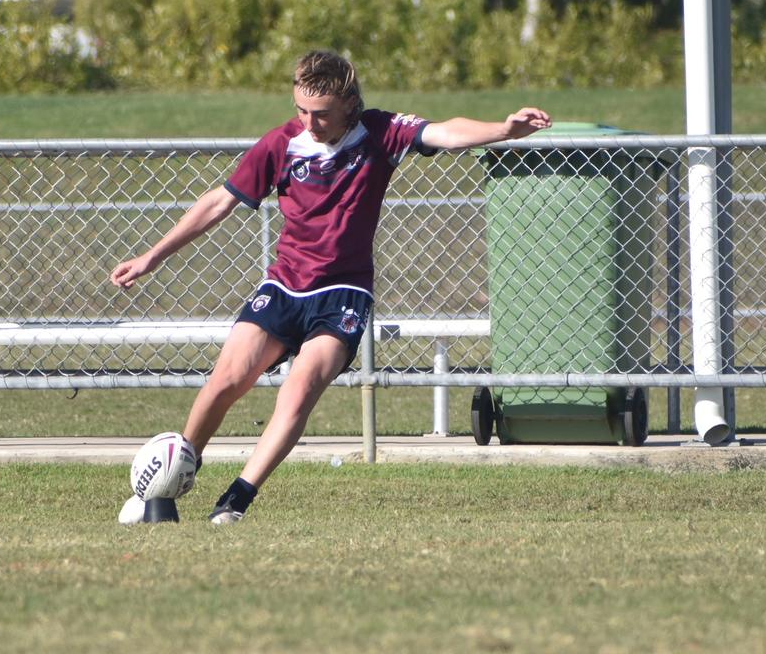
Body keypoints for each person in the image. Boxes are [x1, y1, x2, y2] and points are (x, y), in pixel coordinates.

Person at [112, 50, 551, 524]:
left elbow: (445, 131)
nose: (308, 122)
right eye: (301, 110)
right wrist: (152, 255)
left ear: (348, 102)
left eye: (320, 113)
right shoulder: (282, 144)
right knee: (227, 380)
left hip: (343, 293)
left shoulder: (382, 133)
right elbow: (218, 201)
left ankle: (236, 500)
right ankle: (170, 480)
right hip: (284, 286)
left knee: (299, 390)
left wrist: (503, 130)